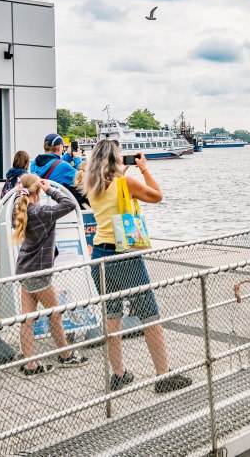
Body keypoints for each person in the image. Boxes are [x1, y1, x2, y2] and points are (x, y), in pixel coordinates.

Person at [78, 139, 191, 394]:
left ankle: (118, 374)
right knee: (149, 314)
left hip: (100, 255)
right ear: (116, 159)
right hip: (125, 256)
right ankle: (163, 375)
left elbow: (113, 198)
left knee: (112, 317)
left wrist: (123, 173)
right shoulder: (124, 183)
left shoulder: (92, 184)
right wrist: (144, 169)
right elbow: (157, 195)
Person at [13, 173, 88, 375]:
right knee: (55, 314)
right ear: (38, 190)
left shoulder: (21, 209)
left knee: (27, 319)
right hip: (39, 272)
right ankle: (66, 355)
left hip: (25, 270)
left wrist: (38, 188)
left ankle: (30, 365)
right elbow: (69, 203)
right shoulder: (41, 211)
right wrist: (50, 190)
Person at [31, 133, 88, 206]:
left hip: (40, 203)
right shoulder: (63, 166)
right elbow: (83, 179)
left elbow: (54, 164)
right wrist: (78, 159)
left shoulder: (34, 163)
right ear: (59, 147)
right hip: (57, 206)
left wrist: (68, 155)